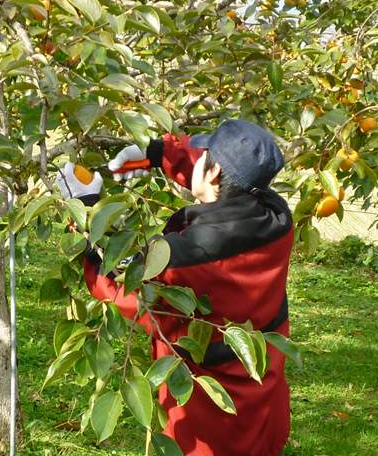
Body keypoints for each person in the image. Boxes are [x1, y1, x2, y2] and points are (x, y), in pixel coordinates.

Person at [56, 119, 292, 456]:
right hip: (263, 401)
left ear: (213, 172)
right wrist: (157, 152)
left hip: (209, 419)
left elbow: (121, 285)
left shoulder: (191, 255)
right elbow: (221, 175)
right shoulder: (277, 217)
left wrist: (86, 211)